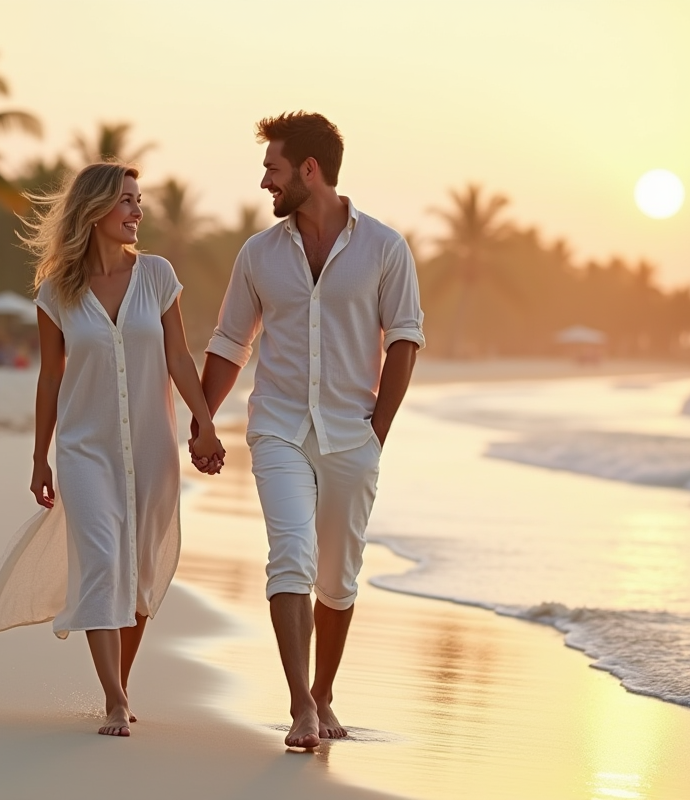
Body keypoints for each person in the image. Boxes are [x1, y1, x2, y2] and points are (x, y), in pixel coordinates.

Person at [193, 112, 425, 749]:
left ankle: (324, 694)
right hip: (278, 428)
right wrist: (203, 421)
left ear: (310, 170)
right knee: (290, 555)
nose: (265, 181)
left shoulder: (385, 248)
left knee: (339, 577)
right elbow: (230, 342)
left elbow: (404, 340)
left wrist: (377, 432)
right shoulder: (258, 254)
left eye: (273, 168)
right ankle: (300, 705)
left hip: (353, 434)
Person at [7, 161, 225, 738]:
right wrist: (39, 456)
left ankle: (118, 685)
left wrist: (204, 423)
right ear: (95, 209)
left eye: (138, 199)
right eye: (126, 200)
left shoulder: (156, 275)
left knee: (140, 573)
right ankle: (114, 700)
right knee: (103, 564)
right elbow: (50, 377)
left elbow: (178, 356)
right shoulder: (56, 291)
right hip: (84, 449)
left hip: (152, 448)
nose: (137, 211)